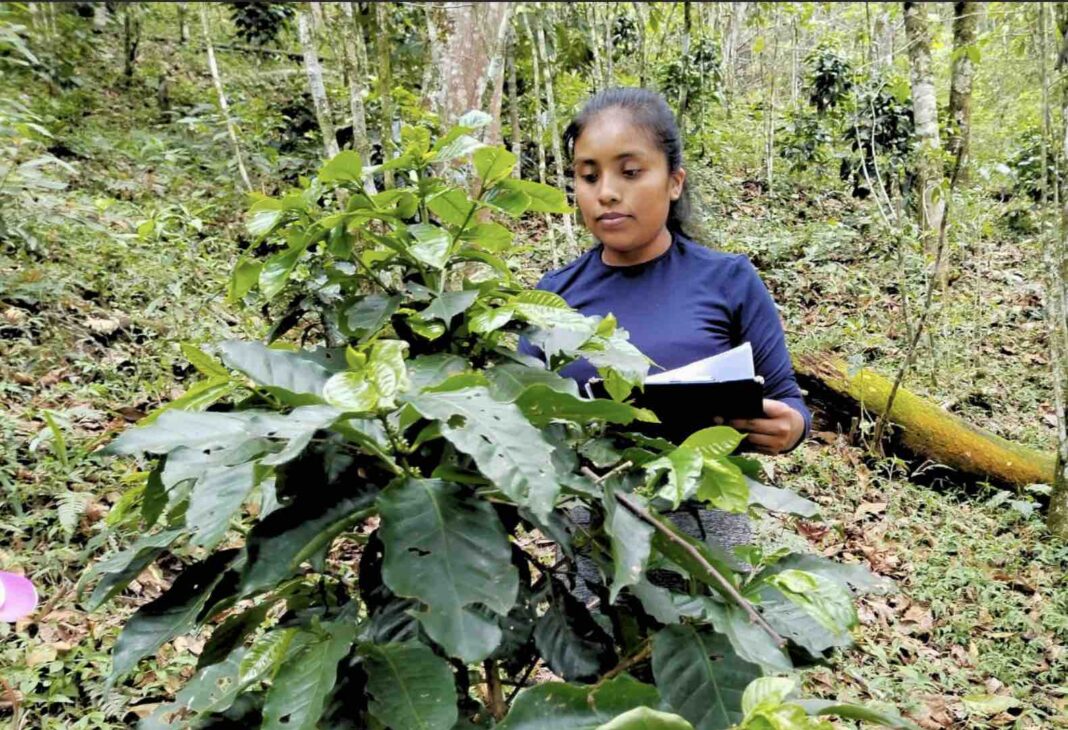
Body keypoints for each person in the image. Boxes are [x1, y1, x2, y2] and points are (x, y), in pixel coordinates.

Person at [520, 88, 811, 563]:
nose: (606, 192)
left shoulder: (729, 281)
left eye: (630, 172)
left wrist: (790, 427)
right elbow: (515, 411)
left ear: (674, 182)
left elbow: (789, 401)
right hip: (592, 550)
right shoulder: (553, 298)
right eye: (588, 175)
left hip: (707, 551)